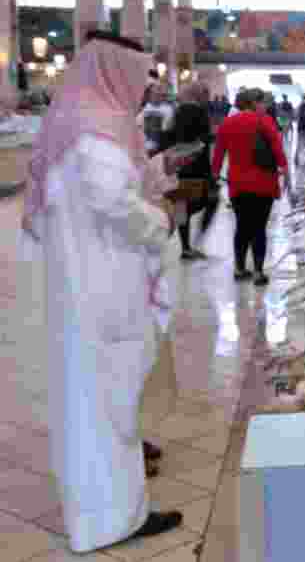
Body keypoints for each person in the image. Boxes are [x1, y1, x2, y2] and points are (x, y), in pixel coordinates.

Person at [19, 31, 183, 554]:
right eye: (138, 74)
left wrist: (153, 177)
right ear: (115, 70)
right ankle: (114, 520)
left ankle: (108, 513)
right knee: (109, 403)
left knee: (96, 401)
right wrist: (160, 221)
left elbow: (101, 194)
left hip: (83, 286)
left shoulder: (72, 122)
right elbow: (116, 202)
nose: (142, 87)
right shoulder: (97, 130)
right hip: (105, 287)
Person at [212, 87, 288, 286]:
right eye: (263, 102)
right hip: (263, 183)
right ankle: (258, 272)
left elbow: (219, 154)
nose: (265, 106)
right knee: (259, 227)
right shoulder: (264, 121)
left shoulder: (227, 123)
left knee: (242, 226)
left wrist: (214, 175)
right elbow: (277, 148)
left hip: (238, 184)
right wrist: (285, 170)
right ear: (254, 103)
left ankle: (239, 268)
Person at [167, 81, 216, 260]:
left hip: (178, 165)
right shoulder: (200, 112)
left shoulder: (176, 111)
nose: (208, 98)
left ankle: (185, 247)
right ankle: (189, 240)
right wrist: (211, 136)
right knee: (208, 199)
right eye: (206, 94)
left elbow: (169, 136)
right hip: (197, 166)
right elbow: (203, 139)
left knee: (181, 204)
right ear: (199, 94)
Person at [139, 82, 175, 157]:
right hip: (144, 148)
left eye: (159, 91)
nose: (158, 94)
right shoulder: (143, 109)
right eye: (155, 92)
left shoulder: (169, 109)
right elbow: (138, 126)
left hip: (161, 149)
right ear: (149, 94)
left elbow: (170, 128)